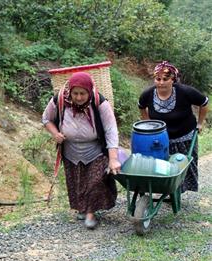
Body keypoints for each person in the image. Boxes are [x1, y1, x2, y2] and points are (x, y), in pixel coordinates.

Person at [42, 72, 121, 229]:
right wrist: (55, 133)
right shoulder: (59, 100)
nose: (78, 97)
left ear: (89, 92)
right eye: (75, 93)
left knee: (95, 181)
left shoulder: (100, 103)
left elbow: (111, 130)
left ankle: (90, 213)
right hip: (70, 151)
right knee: (77, 182)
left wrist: (113, 158)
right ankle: (82, 208)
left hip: (96, 150)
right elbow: (46, 119)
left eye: (83, 93)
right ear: (70, 91)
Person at [138, 61, 209, 192]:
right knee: (162, 166)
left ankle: (179, 191)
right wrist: (148, 124)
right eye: (158, 79)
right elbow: (141, 107)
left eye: (165, 79)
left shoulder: (185, 92)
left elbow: (204, 103)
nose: (161, 82)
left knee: (184, 165)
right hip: (161, 138)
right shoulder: (148, 94)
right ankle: (166, 189)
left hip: (184, 136)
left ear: (173, 80)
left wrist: (200, 123)